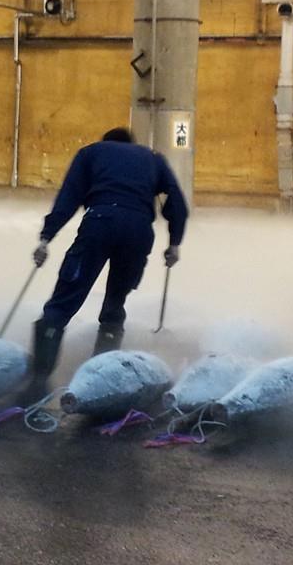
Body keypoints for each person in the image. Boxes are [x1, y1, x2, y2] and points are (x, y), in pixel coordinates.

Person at [25, 127, 188, 399]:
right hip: (138, 230)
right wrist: (174, 243)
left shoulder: (91, 153)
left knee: (64, 300)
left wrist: (46, 238)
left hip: (100, 222)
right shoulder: (153, 158)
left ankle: (39, 380)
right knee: (115, 303)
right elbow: (177, 202)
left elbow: (69, 196)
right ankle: (101, 378)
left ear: (107, 142)